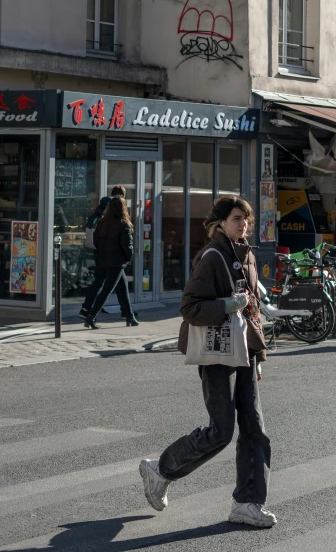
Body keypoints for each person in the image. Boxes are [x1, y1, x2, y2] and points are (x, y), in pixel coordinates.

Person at [138, 195, 276, 529]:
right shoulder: (212, 257)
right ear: (219, 223)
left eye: (246, 218)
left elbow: (252, 309)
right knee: (221, 430)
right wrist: (227, 305)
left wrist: (258, 355)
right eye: (235, 219)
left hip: (243, 352)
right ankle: (161, 469)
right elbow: (190, 307)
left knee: (255, 430)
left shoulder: (246, 255)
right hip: (217, 354)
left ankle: (247, 503)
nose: (242, 224)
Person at [84, 197, 139, 329]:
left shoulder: (103, 222)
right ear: (123, 208)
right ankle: (91, 317)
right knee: (107, 290)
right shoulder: (124, 223)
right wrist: (127, 258)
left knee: (123, 288)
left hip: (104, 260)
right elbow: (127, 246)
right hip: (117, 262)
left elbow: (95, 241)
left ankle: (129, 316)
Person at [78, 196, 110, 320]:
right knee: (104, 284)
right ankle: (88, 311)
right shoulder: (103, 219)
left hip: (96, 252)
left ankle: (87, 308)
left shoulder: (94, 216)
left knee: (100, 282)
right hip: (104, 254)